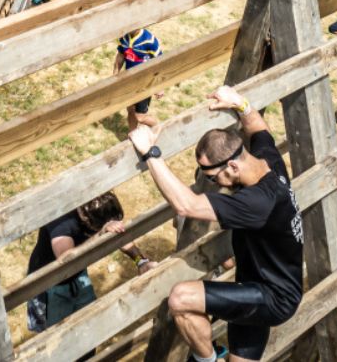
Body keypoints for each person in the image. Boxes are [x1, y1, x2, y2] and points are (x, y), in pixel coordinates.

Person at [129, 84, 303, 362]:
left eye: (212, 178)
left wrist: (150, 152)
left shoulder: (256, 202)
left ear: (232, 166)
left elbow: (187, 205)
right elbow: (259, 129)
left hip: (270, 297)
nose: (211, 183)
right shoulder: (269, 162)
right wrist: (239, 103)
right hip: (263, 287)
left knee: (180, 299)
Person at [26, 191, 155, 356]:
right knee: (55, 339)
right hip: (48, 282)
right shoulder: (61, 222)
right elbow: (66, 262)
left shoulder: (99, 203)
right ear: (86, 219)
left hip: (78, 272)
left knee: (87, 326)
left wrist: (141, 262)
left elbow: (119, 237)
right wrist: (100, 235)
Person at [114, 28, 164, 129]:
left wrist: (159, 85)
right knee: (130, 110)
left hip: (145, 83)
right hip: (129, 80)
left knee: (140, 117)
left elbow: (160, 62)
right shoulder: (124, 37)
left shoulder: (150, 41)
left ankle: (158, 128)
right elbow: (121, 55)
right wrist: (115, 74)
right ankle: (132, 134)